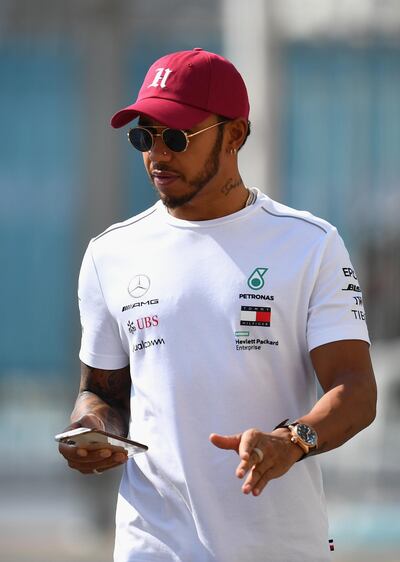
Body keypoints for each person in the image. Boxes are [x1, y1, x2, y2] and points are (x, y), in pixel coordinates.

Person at [59, 48, 377, 562]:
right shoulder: (110, 253)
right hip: (152, 544)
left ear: (235, 135)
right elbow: (100, 393)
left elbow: (356, 391)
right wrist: (92, 431)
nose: (157, 154)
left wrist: (291, 441)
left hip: (279, 546)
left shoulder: (309, 244)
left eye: (177, 136)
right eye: (144, 135)